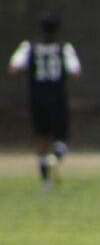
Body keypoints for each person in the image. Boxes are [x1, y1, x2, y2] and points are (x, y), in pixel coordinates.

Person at [8, 14, 82, 190]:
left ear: (40, 28)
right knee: (61, 138)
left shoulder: (29, 46)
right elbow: (76, 72)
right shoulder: (64, 47)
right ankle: (55, 158)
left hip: (37, 98)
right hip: (58, 97)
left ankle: (45, 182)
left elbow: (14, 67)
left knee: (42, 139)